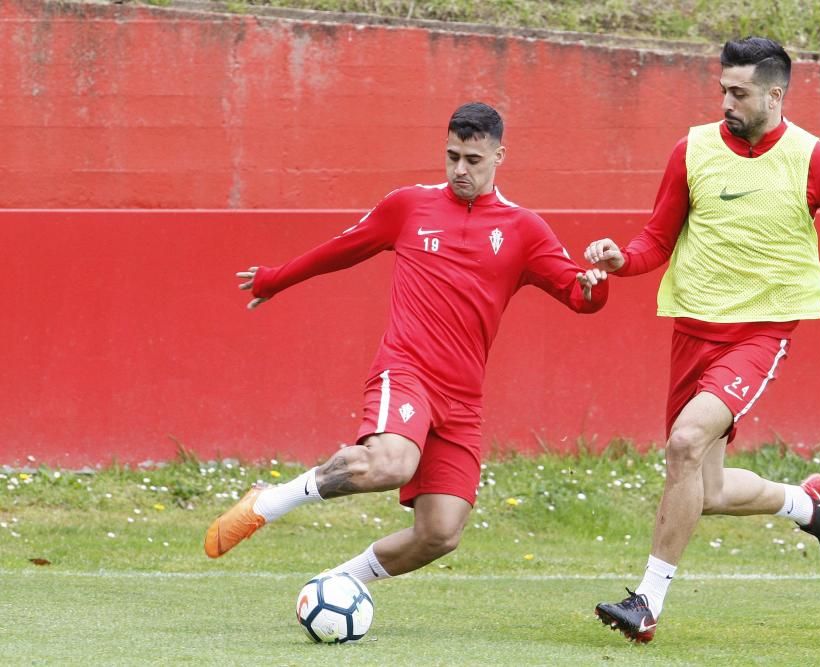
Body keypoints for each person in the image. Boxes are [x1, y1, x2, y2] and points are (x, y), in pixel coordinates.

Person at [204, 103, 610, 588]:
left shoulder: (524, 229)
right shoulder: (410, 206)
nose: (460, 169)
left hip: (462, 400)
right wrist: (275, 278)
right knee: (390, 463)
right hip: (407, 372)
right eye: (452, 156)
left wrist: (595, 283)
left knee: (440, 533)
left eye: (473, 160)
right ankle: (270, 501)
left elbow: (579, 295)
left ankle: (336, 585)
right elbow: (342, 248)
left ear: (499, 155)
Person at [586, 37, 820, 643]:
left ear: (775, 94)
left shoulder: (816, 160)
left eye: (740, 92)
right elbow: (655, 242)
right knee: (707, 488)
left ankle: (646, 603)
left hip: (759, 335)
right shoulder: (692, 150)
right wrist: (620, 258)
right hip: (691, 331)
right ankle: (805, 504)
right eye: (722, 89)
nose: (725, 101)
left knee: (684, 443)